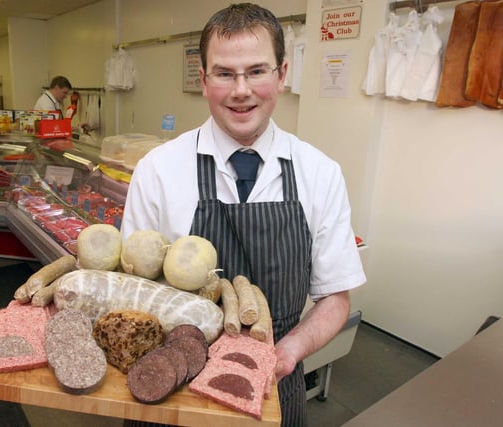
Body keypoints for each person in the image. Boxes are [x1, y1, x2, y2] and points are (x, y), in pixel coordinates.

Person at [120, 3, 366, 427]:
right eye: (225, 73)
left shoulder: (320, 173)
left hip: (274, 378)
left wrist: (287, 352)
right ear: (204, 80)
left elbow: (335, 298)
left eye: (256, 71)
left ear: (282, 75)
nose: (241, 90)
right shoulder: (158, 170)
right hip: (172, 387)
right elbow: (132, 291)